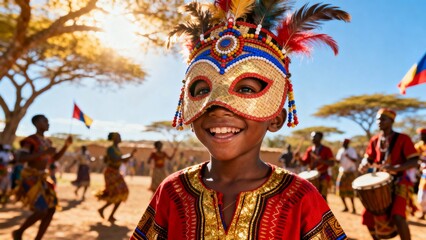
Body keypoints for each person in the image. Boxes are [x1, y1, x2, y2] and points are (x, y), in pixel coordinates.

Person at [130, 1, 350, 238]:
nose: (217, 106)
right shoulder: (172, 191)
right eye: (202, 90)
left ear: (276, 119)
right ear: (187, 113)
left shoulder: (300, 196)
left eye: (246, 90)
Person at [358, 108, 419, 240]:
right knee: (368, 217)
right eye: (378, 119)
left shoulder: (403, 138)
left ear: (391, 121)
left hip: (399, 181)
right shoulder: (375, 140)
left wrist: (396, 168)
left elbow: (414, 161)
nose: (379, 121)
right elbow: (368, 158)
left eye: (382, 119)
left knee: (398, 216)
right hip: (379, 183)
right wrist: (364, 163)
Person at [12, 114, 72, 240]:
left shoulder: (48, 142)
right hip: (31, 178)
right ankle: (19, 232)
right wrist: (44, 152)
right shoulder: (30, 140)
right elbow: (21, 158)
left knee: (51, 209)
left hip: (43, 179)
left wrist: (66, 145)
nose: (48, 123)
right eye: (45, 121)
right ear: (37, 123)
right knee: (42, 210)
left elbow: (54, 158)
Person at [96, 132, 136, 223]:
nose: (120, 138)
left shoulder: (117, 149)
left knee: (123, 192)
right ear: (114, 139)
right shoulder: (110, 149)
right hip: (110, 173)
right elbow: (117, 158)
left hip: (116, 173)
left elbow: (123, 160)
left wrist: (131, 154)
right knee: (115, 194)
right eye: (119, 137)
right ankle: (104, 211)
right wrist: (129, 155)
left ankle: (108, 214)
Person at [300, 131, 335, 201]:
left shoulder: (327, 149)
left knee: (323, 197)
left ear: (320, 138)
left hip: (323, 175)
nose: (312, 138)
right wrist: (298, 158)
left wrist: (321, 161)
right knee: (311, 198)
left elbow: (332, 163)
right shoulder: (309, 150)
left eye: (314, 137)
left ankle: (323, 210)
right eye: (312, 137)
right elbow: (304, 163)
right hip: (311, 176)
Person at [335, 138, 358, 214]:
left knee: (350, 191)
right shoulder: (340, 151)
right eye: (342, 142)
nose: (343, 144)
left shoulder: (351, 150)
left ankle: (353, 208)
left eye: (344, 143)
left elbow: (355, 160)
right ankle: (346, 207)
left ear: (347, 143)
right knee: (340, 190)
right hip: (342, 172)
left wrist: (348, 156)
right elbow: (338, 160)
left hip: (350, 172)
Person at [415, 127, 426, 220]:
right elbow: (414, 157)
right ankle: (423, 212)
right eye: (420, 135)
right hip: (424, 175)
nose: (420, 137)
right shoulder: (418, 146)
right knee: (421, 196)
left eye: (422, 135)